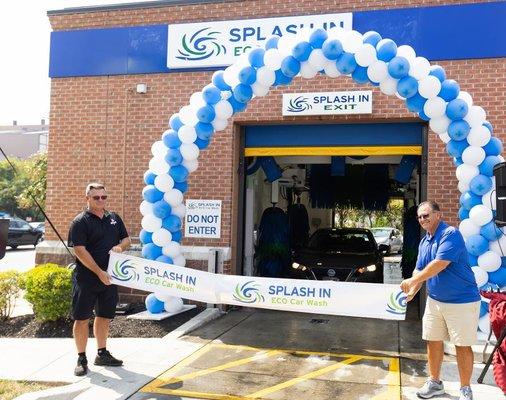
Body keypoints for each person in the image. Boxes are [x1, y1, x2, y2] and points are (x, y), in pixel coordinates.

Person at [400, 201, 480, 400]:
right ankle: (435, 383)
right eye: (419, 217)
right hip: (435, 301)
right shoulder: (424, 241)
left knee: (462, 345)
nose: (422, 219)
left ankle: (465, 389)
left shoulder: (450, 234)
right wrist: (413, 291)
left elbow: (439, 264)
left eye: (426, 215)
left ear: (438, 215)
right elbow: (420, 270)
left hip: (461, 301)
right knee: (433, 341)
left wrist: (412, 281)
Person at [68, 183, 131, 376]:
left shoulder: (114, 218)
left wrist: (120, 248)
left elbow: (126, 239)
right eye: (96, 198)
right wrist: (99, 272)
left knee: (104, 316)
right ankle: (81, 358)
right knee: (81, 318)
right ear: (87, 198)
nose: (101, 201)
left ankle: (102, 353)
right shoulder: (80, 222)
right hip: (87, 278)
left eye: (104, 197)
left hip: (109, 278)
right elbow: (80, 250)